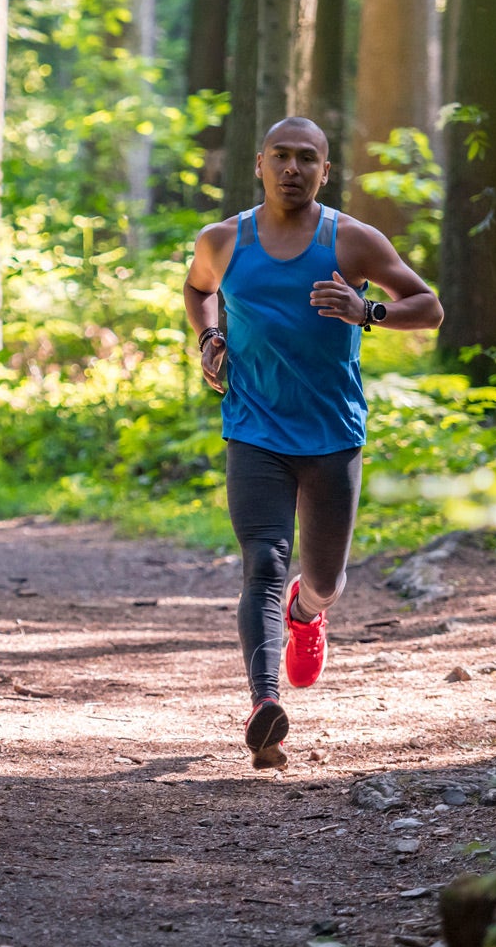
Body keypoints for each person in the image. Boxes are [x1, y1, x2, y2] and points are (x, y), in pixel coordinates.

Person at [182, 117, 443, 770]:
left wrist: (366, 312)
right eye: (281, 156)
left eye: (307, 158)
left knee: (321, 579)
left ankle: (310, 610)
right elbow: (196, 289)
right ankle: (262, 706)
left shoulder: (350, 241)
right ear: (259, 163)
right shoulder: (222, 240)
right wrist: (207, 337)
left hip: (330, 435)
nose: (292, 168)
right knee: (261, 565)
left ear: (324, 171)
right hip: (254, 428)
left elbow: (428, 305)